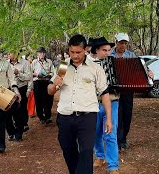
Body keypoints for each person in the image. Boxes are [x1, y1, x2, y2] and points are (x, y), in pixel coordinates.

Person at [47, 34, 112, 174]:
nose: (75, 55)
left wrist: (109, 119)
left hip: (87, 117)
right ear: (68, 50)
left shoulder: (95, 68)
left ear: (85, 50)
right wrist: (55, 85)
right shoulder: (63, 66)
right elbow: (50, 91)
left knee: (86, 151)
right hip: (65, 116)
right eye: (72, 52)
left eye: (78, 52)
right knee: (68, 149)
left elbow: (105, 94)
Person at [90, 37, 119, 174]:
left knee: (110, 134)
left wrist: (148, 73)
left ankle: (113, 165)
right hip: (93, 103)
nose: (107, 53)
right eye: (104, 50)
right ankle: (100, 156)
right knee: (95, 133)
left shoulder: (116, 63)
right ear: (96, 50)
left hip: (112, 101)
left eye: (109, 50)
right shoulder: (89, 64)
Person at [110, 33, 136, 150]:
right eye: (121, 43)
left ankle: (123, 138)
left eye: (125, 43)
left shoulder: (131, 55)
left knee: (127, 115)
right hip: (114, 90)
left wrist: (149, 72)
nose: (123, 45)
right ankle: (117, 140)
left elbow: (140, 68)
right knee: (117, 115)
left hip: (128, 90)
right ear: (116, 42)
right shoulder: (109, 55)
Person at [6, 52, 32, 140]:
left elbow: (29, 77)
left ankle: (19, 132)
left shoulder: (25, 63)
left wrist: (18, 73)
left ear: (17, 53)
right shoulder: (5, 63)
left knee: (20, 111)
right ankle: (11, 132)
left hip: (21, 88)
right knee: (8, 113)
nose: (9, 54)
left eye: (11, 52)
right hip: (9, 90)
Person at [31, 47, 55, 124]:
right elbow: (30, 72)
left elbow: (53, 72)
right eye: (40, 52)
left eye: (43, 53)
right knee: (38, 100)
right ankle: (41, 117)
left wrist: (49, 75)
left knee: (48, 99)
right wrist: (37, 74)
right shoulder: (34, 62)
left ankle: (48, 116)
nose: (42, 54)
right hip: (37, 82)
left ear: (45, 54)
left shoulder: (49, 62)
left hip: (47, 82)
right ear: (37, 54)